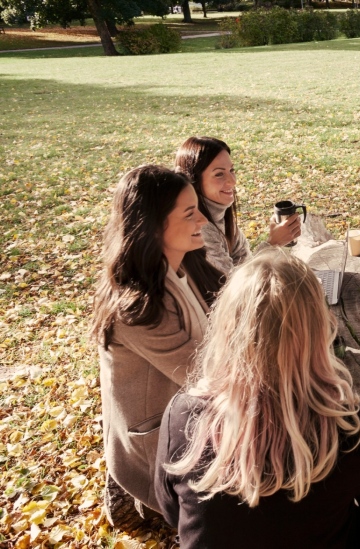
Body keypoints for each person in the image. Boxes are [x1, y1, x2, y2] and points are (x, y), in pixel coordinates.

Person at [155, 249, 360, 548]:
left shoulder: (183, 414)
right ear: (319, 330)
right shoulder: (344, 428)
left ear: (226, 327)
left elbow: (172, 511)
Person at [91, 165, 224, 513]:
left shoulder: (183, 266)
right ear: (152, 225)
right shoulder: (138, 306)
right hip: (160, 454)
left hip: (195, 418)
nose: (204, 222)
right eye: (190, 213)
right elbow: (207, 377)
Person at [174, 136, 301, 273]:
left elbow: (245, 265)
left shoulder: (223, 218)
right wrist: (272, 244)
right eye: (219, 174)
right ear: (194, 180)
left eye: (231, 170)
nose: (232, 181)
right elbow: (231, 285)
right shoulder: (200, 229)